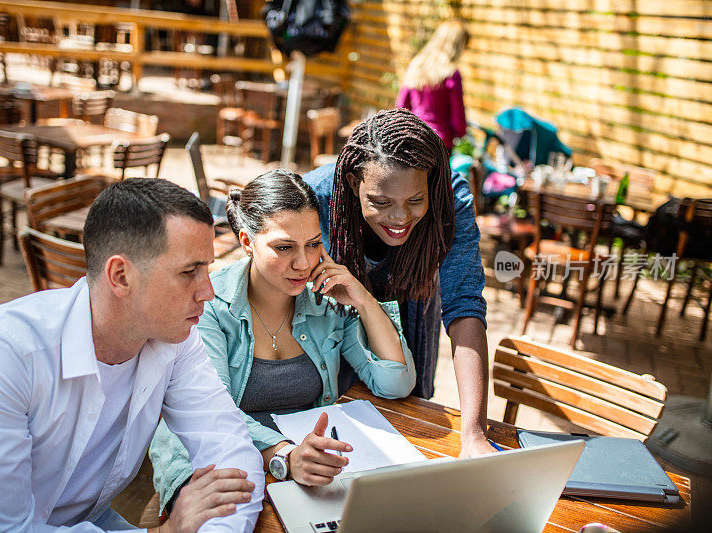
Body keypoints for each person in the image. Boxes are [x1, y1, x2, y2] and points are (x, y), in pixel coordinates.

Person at [0, 179, 265, 532]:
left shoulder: (173, 338)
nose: (207, 291)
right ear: (120, 275)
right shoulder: (3, 354)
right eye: (189, 272)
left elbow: (231, 451)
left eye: (208, 269)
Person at [150, 170, 415, 513]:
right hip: (211, 463)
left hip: (305, 469)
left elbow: (395, 383)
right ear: (247, 242)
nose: (303, 263)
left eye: (314, 244)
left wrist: (363, 300)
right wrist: (285, 456)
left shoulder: (326, 301)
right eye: (284, 247)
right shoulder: (210, 306)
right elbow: (210, 415)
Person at [303, 108, 495, 457]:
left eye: (415, 200)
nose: (400, 217)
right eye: (381, 202)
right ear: (351, 182)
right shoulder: (316, 198)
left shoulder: (450, 201)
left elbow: (464, 305)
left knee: (404, 424)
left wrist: (474, 435)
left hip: (411, 322)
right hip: (334, 332)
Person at [396, 20, 469, 150]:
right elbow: (458, 118)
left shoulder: (416, 65)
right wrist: (461, 133)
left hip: (413, 137)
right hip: (439, 143)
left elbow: (401, 106)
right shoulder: (451, 73)